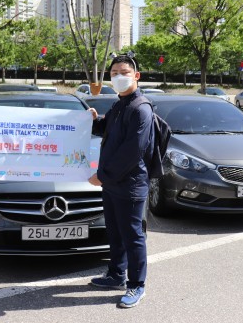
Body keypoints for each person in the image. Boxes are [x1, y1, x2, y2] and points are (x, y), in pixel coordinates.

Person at [87, 54, 153, 309]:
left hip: (130, 185)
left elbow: (132, 150)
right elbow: (110, 131)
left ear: (136, 76)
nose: (118, 77)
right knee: (115, 232)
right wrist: (95, 121)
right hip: (113, 184)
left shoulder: (140, 108)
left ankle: (137, 285)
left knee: (132, 235)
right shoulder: (120, 104)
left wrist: (101, 175)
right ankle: (116, 274)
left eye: (123, 72)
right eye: (113, 73)